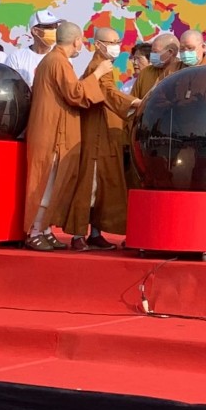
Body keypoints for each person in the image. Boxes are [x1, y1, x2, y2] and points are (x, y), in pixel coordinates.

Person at [57, 24, 134, 249]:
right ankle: (78, 235)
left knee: (102, 187)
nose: (116, 46)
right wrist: (135, 103)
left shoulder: (106, 66)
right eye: (111, 43)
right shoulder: (97, 67)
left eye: (117, 42)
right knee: (89, 186)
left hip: (106, 136)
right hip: (95, 138)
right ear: (98, 45)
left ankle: (96, 233)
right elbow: (108, 93)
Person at [23, 22, 90, 250]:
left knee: (52, 182)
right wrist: (97, 75)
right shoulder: (58, 61)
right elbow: (75, 94)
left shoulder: (55, 60)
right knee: (44, 182)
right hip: (49, 132)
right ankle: (34, 231)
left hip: (52, 130)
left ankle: (44, 229)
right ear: (77, 41)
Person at [8, 9, 60, 82]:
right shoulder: (16, 57)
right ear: (35, 31)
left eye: (56, 27)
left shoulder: (62, 57)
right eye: (49, 27)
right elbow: (9, 84)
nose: (54, 30)